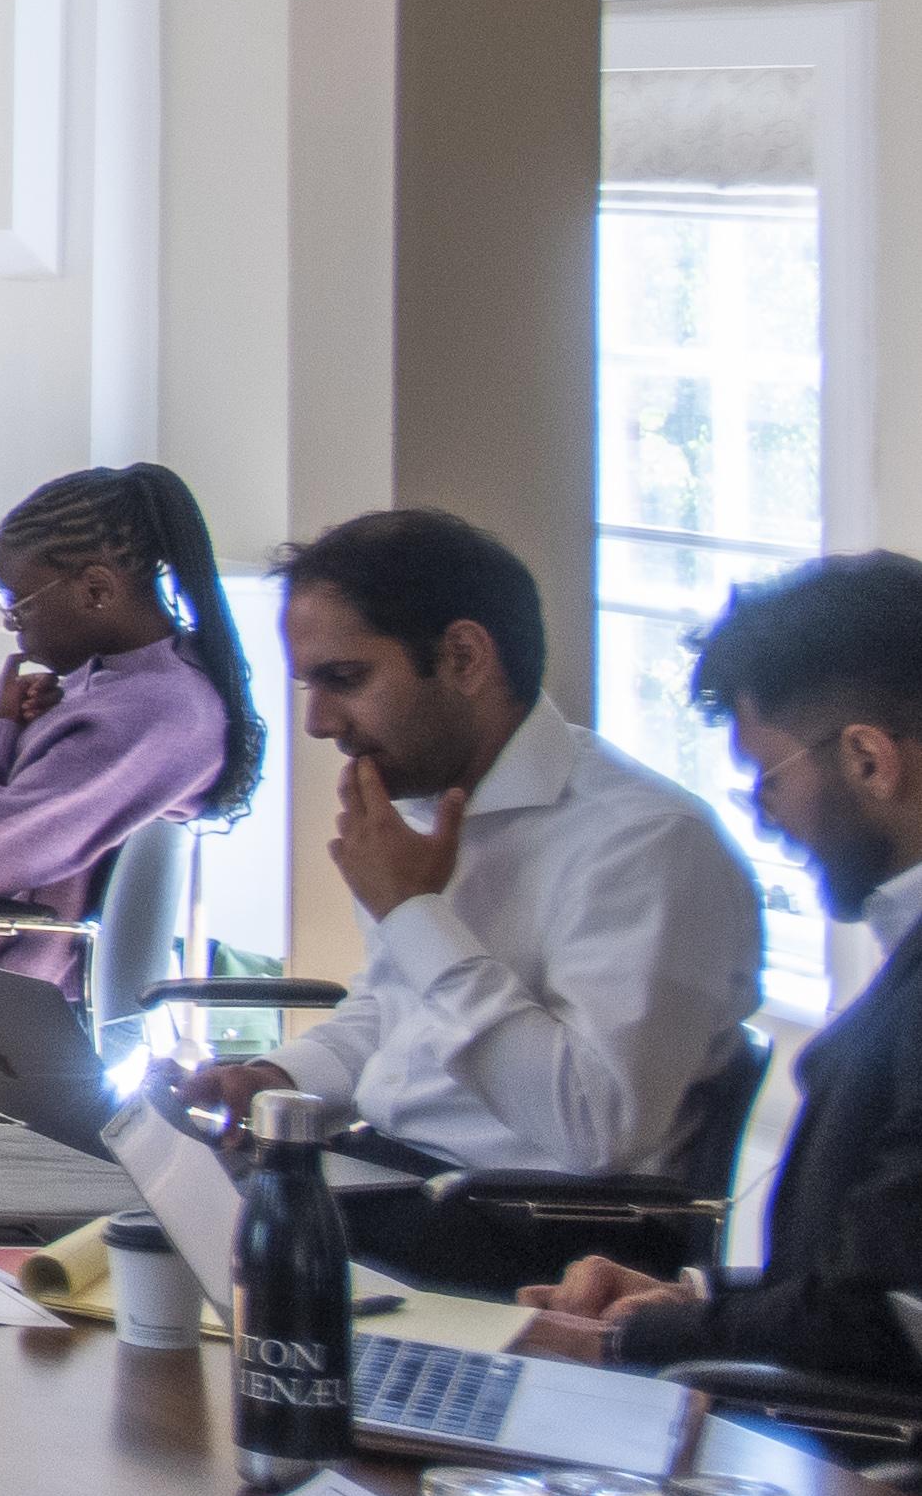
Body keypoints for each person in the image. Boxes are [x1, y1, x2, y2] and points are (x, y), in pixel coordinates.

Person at [147, 511, 764, 1236]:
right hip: (390, 1179)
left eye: (344, 678)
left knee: (177, 1252)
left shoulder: (646, 845)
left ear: (466, 657)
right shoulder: (415, 804)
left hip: (529, 1229)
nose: (316, 721)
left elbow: (598, 1126)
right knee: (137, 1204)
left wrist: (414, 914)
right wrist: (277, 1078)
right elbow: (393, 1015)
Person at [523, 552, 922, 1391]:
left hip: (858, 1482)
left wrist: (636, 1342)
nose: (768, 821)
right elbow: (872, 1283)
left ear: (869, 759)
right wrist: (684, 1299)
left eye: (768, 779)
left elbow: (876, 1318)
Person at [0, 462, 272, 983]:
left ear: (96, 590)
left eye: (16, 602)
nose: (11, 624)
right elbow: (17, 835)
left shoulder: (147, 714)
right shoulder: (128, 685)